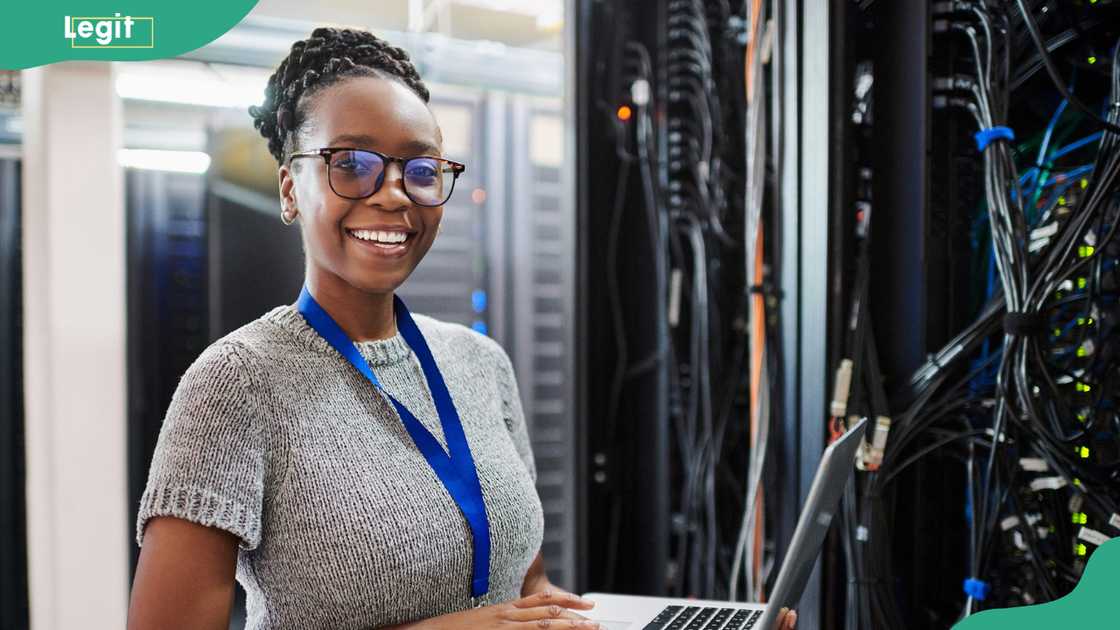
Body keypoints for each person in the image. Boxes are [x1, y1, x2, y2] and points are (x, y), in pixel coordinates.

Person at [125, 26, 796, 630]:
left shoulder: (480, 363)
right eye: (351, 164)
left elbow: (525, 590)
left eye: (420, 169)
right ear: (290, 188)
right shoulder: (237, 383)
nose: (394, 193)